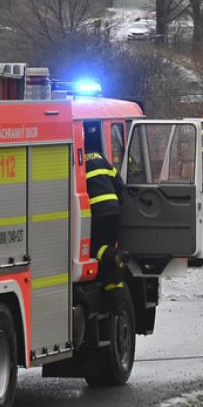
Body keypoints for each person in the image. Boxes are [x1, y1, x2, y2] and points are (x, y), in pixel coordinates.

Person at [84, 126, 127, 298]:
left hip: (96, 214)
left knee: (93, 250)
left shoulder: (79, 163)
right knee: (107, 247)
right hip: (113, 211)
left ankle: (115, 255)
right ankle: (115, 297)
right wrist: (120, 204)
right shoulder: (101, 158)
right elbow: (119, 182)